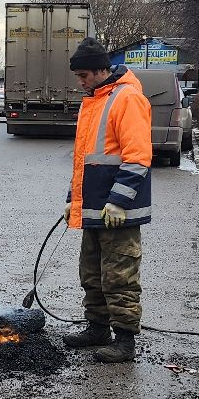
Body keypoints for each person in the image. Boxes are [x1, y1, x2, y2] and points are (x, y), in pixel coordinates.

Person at [61, 39, 152, 364]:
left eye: (84, 75)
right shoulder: (95, 100)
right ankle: (97, 329)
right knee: (92, 274)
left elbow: (138, 157)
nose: (80, 81)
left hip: (118, 213)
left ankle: (124, 341)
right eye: (78, 76)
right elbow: (85, 159)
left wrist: (117, 201)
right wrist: (74, 199)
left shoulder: (126, 98)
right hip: (95, 209)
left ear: (102, 70)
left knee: (119, 277)